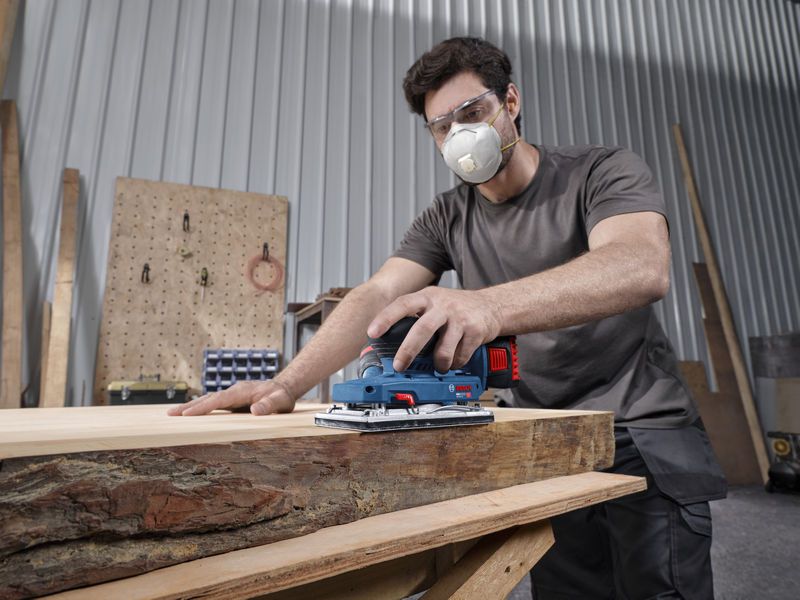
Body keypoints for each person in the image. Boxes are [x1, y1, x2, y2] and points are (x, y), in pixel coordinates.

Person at [169, 37, 726, 599]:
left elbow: (640, 265)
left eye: (473, 112)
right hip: (546, 439)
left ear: (510, 102)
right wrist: (286, 384)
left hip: (641, 427)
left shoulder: (600, 170)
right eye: (442, 126)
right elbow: (377, 293)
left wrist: (487, 303)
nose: (460, 134)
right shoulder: (446, 216)